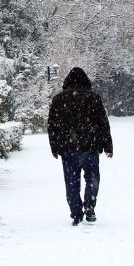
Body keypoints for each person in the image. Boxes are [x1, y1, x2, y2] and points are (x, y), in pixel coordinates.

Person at [47, 66, 113, 226]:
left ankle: (76, 212)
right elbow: (103, 123)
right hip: (90, 146)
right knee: (92, 178)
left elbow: (52, 126)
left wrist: (54, 147)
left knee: (71, 181)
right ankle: (89, 207)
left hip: (68, 148)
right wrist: (108, 145)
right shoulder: (93, 98)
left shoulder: (59, 100)